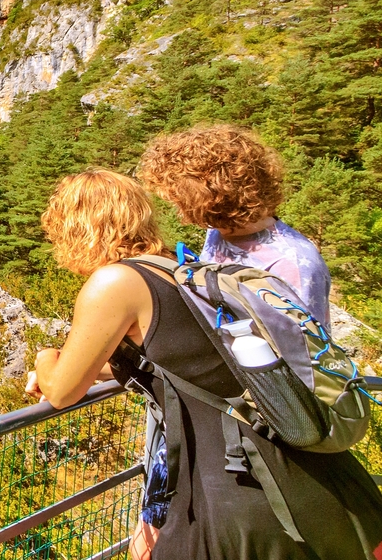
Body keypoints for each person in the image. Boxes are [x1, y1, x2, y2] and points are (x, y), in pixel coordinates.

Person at [25, 169, 382, 559]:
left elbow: (61, 390)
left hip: (244, 496)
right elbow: (181, 361)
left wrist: (47, 359)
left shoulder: (116, 281)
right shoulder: (180, 268)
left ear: (73, 227)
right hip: (314, 479)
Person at [132, 124, 335, 555]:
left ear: (208, 192)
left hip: (255, 439)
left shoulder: (292, 263)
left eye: (176, 195)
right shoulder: (220, 236)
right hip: (203, 418)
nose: (175, 208)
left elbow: (303, 367)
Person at [138, 123, 330, 322]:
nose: (177, 208)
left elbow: (308, 345)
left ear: (212, 197)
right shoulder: (219, 230)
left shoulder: (292, 262)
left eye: (180, 200)